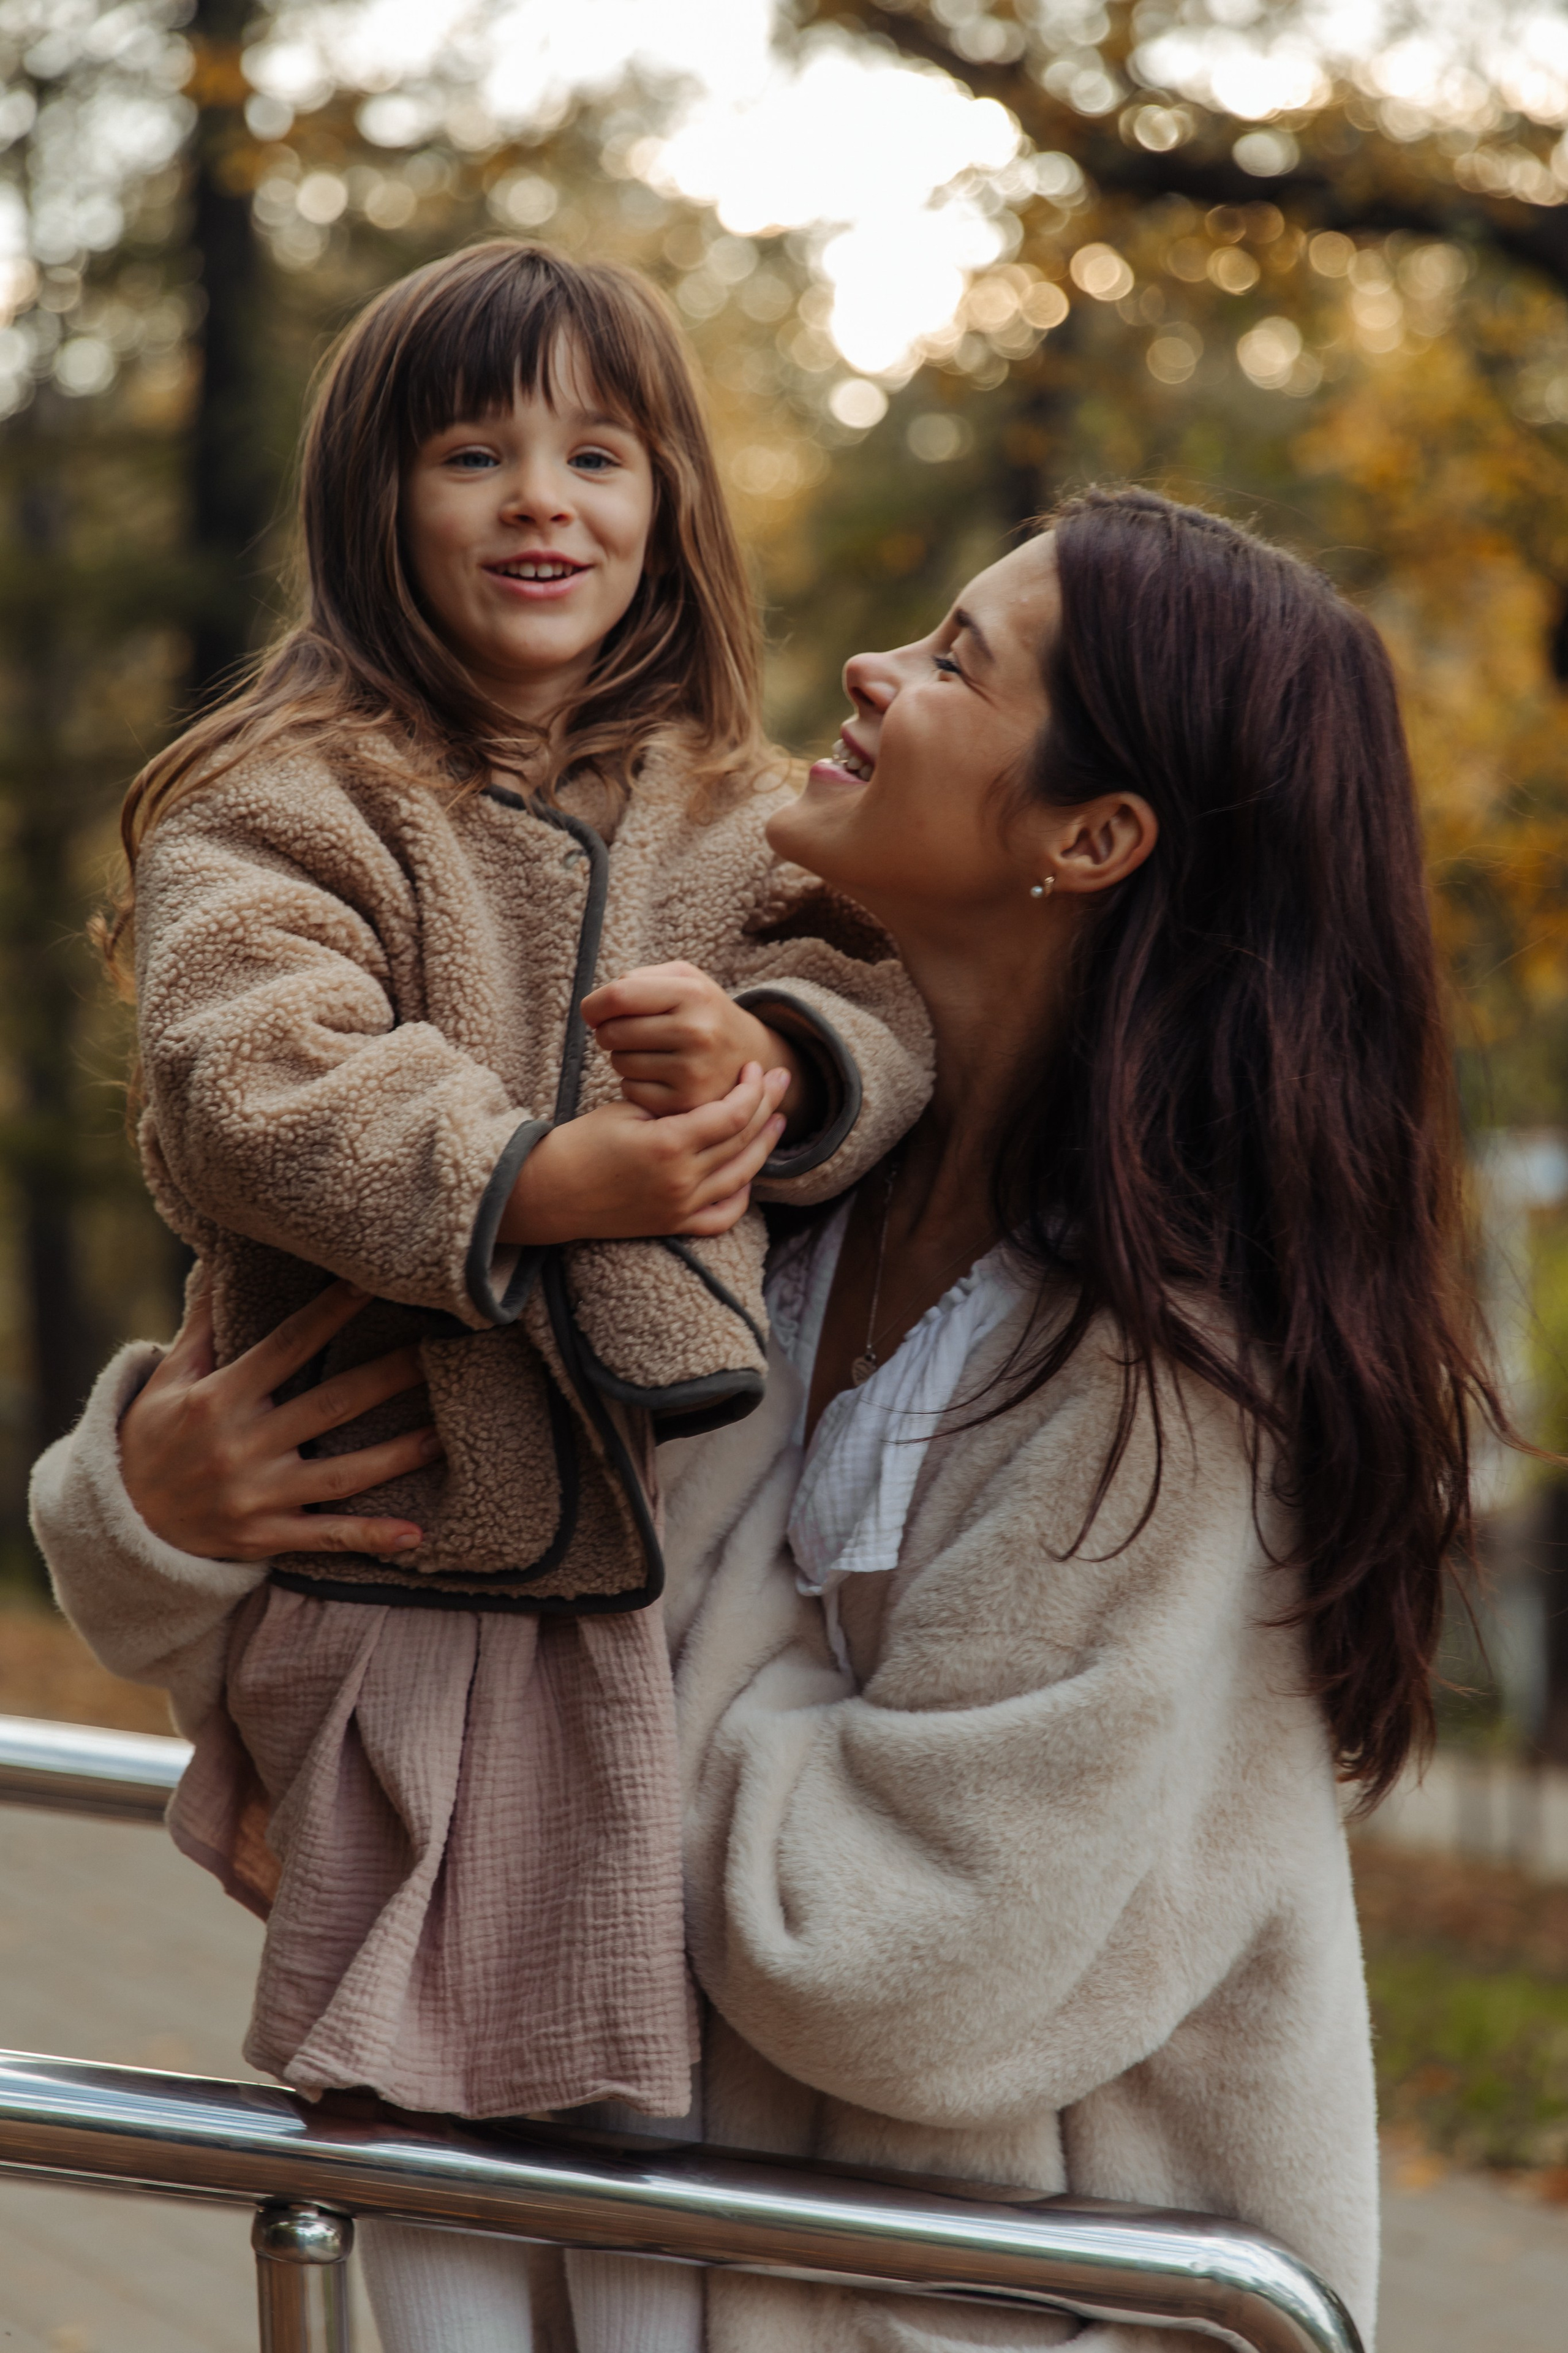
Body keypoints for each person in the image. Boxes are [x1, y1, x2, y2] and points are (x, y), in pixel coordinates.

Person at [36, 489, 1495, 2353]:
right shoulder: (766, 1173)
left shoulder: (1173, 1371)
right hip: (641, 2249)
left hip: (1007, 2305)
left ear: (1094, 834)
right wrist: (159, 1508)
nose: (876, 670)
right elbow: (406, 1593)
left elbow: (910, 1957)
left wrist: (504, 1751)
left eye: (960, 661)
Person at [42, 238, 932, 2351]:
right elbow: (257, 1078)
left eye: (597, 452)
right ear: (379, 507)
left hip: (648, 1608)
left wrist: (783, 1062)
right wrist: (538, 1176)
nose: (545, 496)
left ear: (668, 505)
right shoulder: (284, 795)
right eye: (475, 452)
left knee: (640, 2156)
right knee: (426, 2121)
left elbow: (885, 990)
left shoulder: (739, 809)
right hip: (395, 1570)